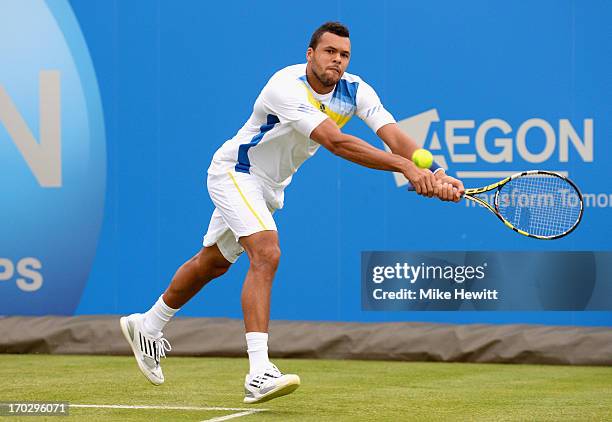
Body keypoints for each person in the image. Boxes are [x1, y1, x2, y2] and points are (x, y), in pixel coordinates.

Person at [120, 21, 465, 404]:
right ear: (310, 54)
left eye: (344, 55)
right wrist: (405, 169)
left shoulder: (356, 90)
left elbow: (395, 137)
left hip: (269, 188)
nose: (337, 60)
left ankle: (148, 325)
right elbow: (335, 142)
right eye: (330, 52)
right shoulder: (284, 86)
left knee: (213, 263)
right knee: (266, 252)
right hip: (236, 171)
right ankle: (258, 372)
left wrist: (434, 172)